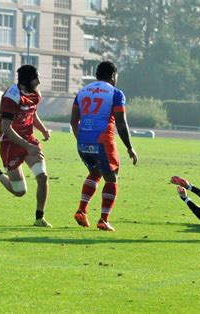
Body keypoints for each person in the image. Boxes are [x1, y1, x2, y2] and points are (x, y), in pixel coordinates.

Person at [70, 61, 138, 231]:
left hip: (83, 141)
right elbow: (121, 124)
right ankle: (103, 219)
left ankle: (82, 210)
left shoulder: (82, 91)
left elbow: (73, 121)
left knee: (94, 173)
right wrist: (129, 147)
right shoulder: (115, 93)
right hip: (102, 140)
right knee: (112, 177)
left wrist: (81, 139)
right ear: (113, 76)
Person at [0, 65, 52, 228]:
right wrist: (28, 146)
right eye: (36, 78)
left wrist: (42, 129)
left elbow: (32, 113)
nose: (39, 81)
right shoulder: (11, 97)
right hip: (10, 144)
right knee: (20, 191)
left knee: (42, 177)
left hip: (28, 139)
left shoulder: (35, 94)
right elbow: (6, 129)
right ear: (26, 81)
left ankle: (39, 218)